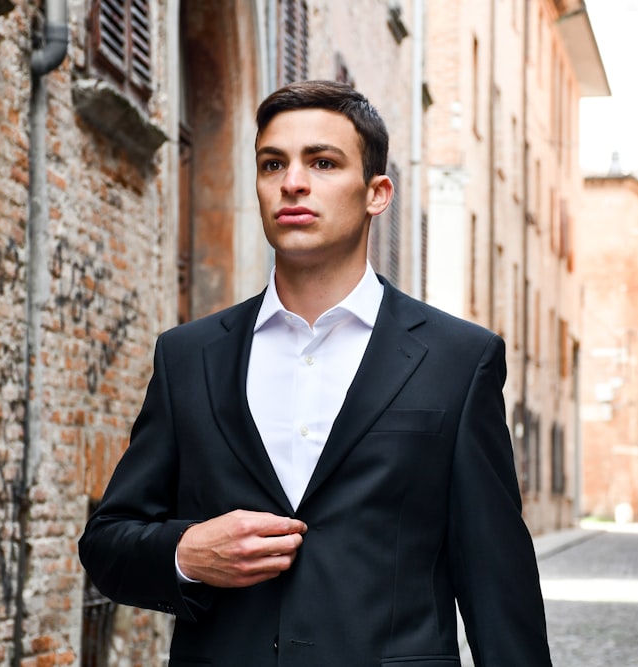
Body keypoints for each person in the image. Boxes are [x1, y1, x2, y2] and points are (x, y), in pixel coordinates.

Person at [78, 79, 552, 667]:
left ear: (377, 193)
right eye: (272, 163)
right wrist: (185, 552)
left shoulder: (459, 360)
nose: (292, 182)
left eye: (322, 162)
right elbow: (107, 542)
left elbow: (497, 582)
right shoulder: (188, 356)